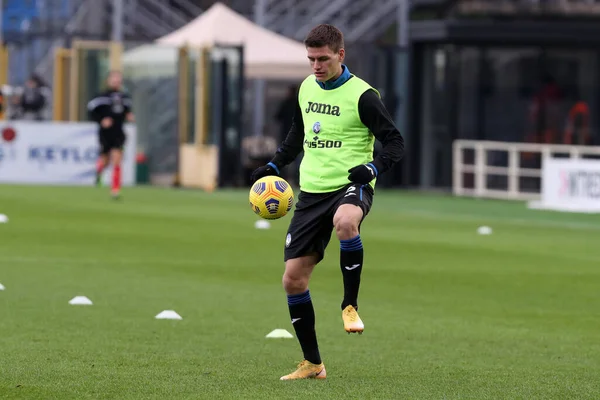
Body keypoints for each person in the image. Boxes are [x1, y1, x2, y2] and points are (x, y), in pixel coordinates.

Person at [250, 24, 404, 380]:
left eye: (323, 59)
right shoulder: (306, 88)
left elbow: (395, 142)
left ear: (340, 55)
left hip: (351, 185)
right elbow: (297, 134)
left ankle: (349, 305)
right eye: (311, 59)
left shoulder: (363, 95)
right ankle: (313, 364)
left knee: (347, 222)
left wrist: (373, 166)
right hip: (311, 193)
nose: (316, 66)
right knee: (293, 280)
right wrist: (275, 164)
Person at [87, 71, 134, 199]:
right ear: (108, 80)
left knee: (117, 159)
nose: (116, 81)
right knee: (105, 160)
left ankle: (115, 190)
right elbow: (91, 111)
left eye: (118, 78)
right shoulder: (101, 97)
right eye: (114, 78)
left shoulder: (125, 98)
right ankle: (99, 173)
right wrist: (101, 120)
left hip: (119, 132)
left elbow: (127, 111)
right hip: (105, 133)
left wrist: (129, 116)